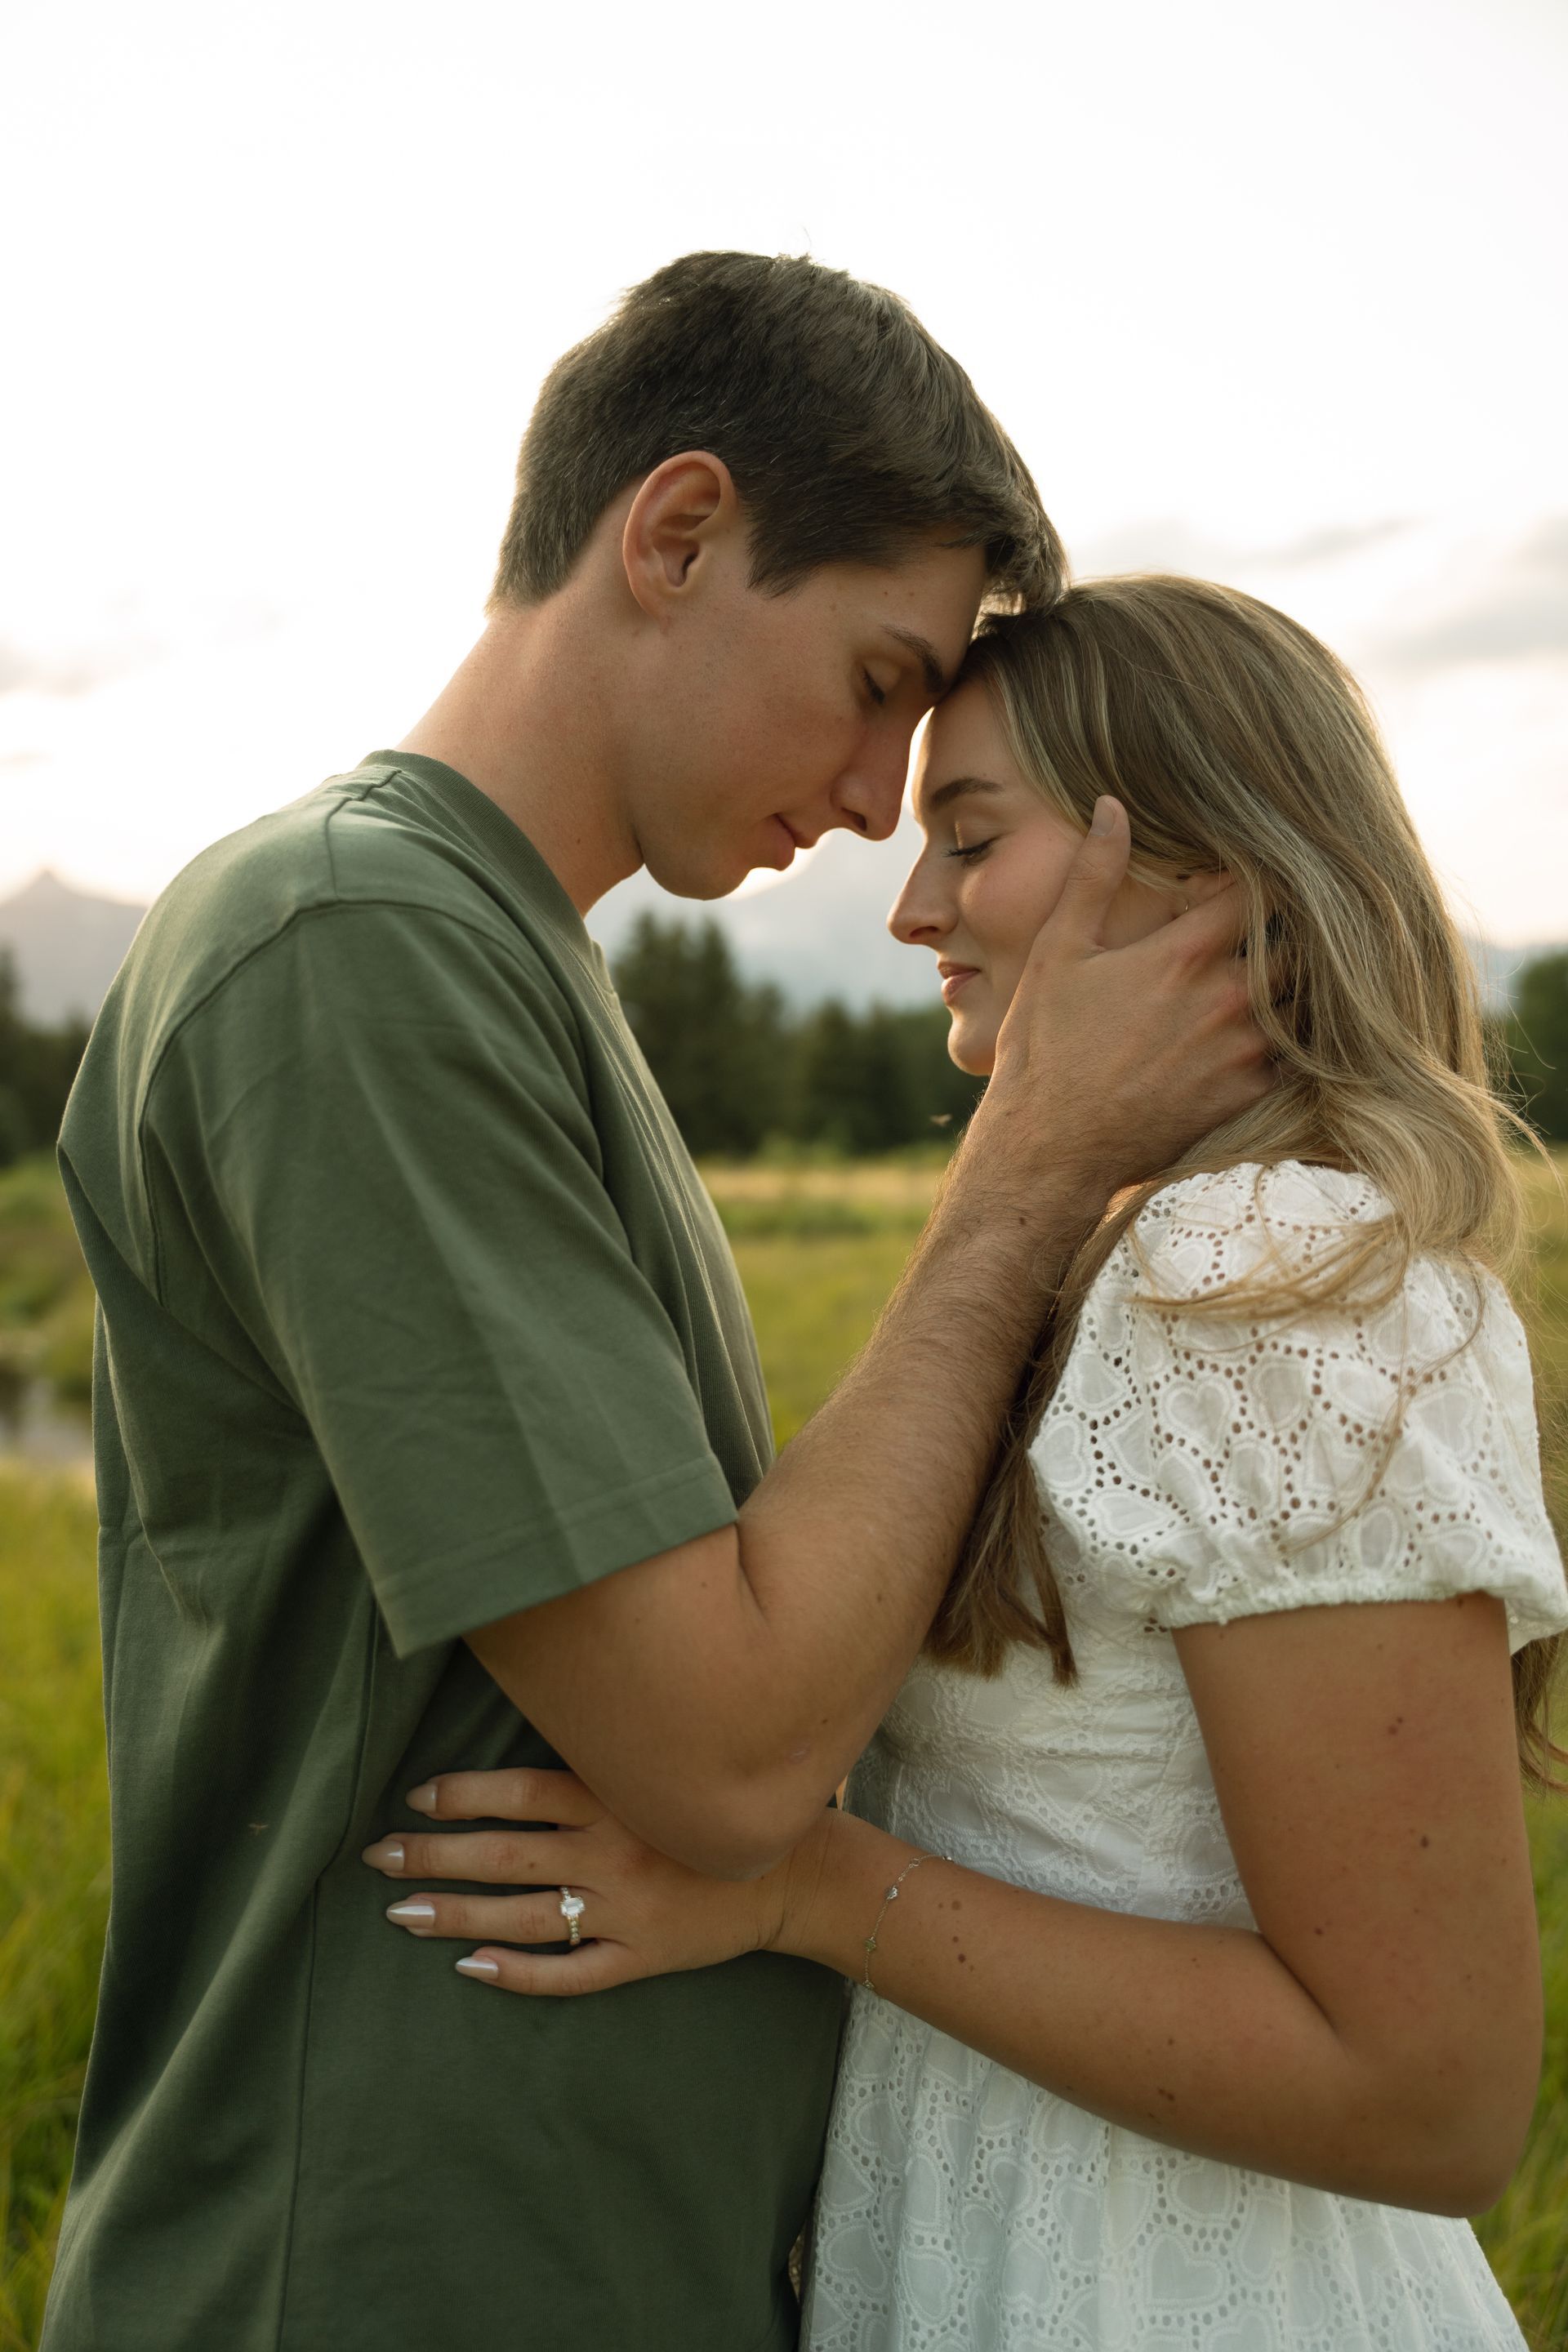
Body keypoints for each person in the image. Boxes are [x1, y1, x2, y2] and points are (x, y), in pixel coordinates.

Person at [42, 263, 1269, 2352]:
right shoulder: (351, 950)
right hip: (372, 2280)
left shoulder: (508, 967)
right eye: (880, 678)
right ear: (678, 532)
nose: (884, 794)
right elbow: (719, 1758)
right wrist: (1035, 1165)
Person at [384, 577, 1568, 2350]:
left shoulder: (1263, 1277)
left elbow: (1434, 2094)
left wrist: (800, 1889)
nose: (913, 902)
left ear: (1197, 874)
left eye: (969, 834)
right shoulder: (1135, 1255)